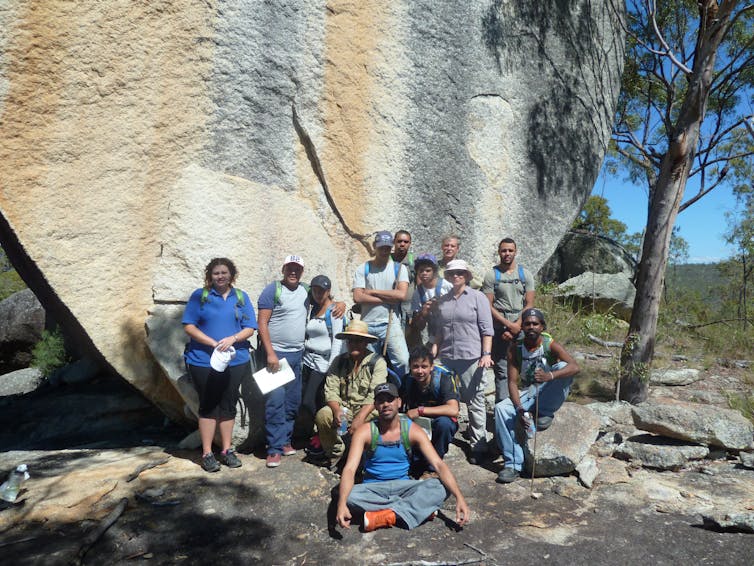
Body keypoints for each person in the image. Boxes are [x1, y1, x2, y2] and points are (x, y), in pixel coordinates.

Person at [336, 382, 470, 532]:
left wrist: (460, 498)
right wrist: (341, 505)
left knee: (441, 487)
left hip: (404, 487)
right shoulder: (365, 431)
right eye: (381, 401)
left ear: (399, 402)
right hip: (373, 488)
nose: (386, 404)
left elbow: (438, 464)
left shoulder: (412, 430)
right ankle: (416, 509)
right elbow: (349, 469)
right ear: (375, 405)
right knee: (349, 496)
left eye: (390, 399)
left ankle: (387, 516)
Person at [257, 257, 346, 469]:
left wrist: (342, 304)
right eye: (290, 268)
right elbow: (262, 323)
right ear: (283, 269)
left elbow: (326, 299)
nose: (293, 272)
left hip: (298, 355)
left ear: (302, 271)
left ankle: (285, 440)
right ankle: (273, 448)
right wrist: (270, 353)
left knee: (292, 401)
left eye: (297, 269)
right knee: (275, 400)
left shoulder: (306, 290)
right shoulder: (272, 290)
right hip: (276, 354)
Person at [182, 258, 258, 472]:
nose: (220, 276)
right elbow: (189, 326)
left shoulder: (240, 297)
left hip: (235, 360)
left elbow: (250, 327)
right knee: (208, 406)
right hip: (203, 361)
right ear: (210, 275)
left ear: (232, 275)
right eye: (216, 273)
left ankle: (226, 450)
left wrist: (232, 339)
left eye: (224, 272)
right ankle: (207, 453)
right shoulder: (201, 296)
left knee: (228, 405)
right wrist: (213, 343)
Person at [494, 308, 580, 483]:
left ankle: (545, 412)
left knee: (561, 366)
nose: (531, 327)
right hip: (528, 391)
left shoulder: (550, 345)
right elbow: (512, 382)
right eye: (527, 324)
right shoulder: (515, 348)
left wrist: (550, 376)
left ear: (542, 326)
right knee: (501, 408)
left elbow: (575, 366)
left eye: (535, 324)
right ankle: (513, 464)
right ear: (523, 327)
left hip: (548, 389)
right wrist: (519, 409)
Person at [431, 259, 494, 465]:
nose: (456, 276)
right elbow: (440, 331)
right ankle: (443, 441)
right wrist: (434, 350)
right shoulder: (443, 301)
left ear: (466, 275)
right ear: (447, 277)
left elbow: (487, 329)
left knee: (474, 400)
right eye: (452, 273)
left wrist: (486, 353)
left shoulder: (478, 298)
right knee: (445, 398)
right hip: (447, 356)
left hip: (471, 357)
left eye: (460, 273)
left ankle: (478, 445)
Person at [313, 320, 387, 465]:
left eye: (359, 341)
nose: (354, 344)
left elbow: (375, 395)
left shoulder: (377, 363)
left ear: (366, 343)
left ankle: (365, 457)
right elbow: (331, 390)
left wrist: (360, 417)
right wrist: (336, 410)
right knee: (323, 415)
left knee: (374, 423)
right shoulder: (338, 361)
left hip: (368, 409)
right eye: (351, 340)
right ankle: (335, 453)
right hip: (344, 408)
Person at [482, 238, 535, 402]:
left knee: (527, 368)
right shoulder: (492, 275)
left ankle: (526, 408)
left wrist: (517, 325)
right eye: (504, 250)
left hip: (522, 326)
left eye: (510, 250)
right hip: (500, 327)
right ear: (499, 252)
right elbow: (488, 305)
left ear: (515, 252)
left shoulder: (525, 274)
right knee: (503, 371)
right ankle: (502, 410)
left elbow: (530, 303)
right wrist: (508, 325)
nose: (507, 254)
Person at [352, 230, 410, 377]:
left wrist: (371, 292)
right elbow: (358, 297)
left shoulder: (399, 269)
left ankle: (402, 392)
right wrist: (389, 298)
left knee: (403, 361)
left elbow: (401, 295)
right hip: (367, 323)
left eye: (387, 247)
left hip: (390, 322)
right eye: (381, 247)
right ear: (375, 247)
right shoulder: (363, 268)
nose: (384, 251)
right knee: (368, 364)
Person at [301, 275, 346, 451]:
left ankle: (323, 434)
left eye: (323, 290)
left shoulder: (334, 312)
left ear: (329, 292)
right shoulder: (314, 309)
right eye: (315, 289)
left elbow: (338, 341)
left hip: (323, 363)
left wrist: (331, 368)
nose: (318, 293)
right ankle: (319, 435)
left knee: (310, 402)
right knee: (313, 400)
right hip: (308, 361)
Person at [403, 347, 460, 478]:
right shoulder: (407, 381)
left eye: (424, 367)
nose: (420, 371)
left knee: (444, 424)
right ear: (410, 367)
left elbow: (453, 409)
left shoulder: (443, 380)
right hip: (418, 424)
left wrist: (420, 411)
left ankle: (432, 469)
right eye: (415, 367)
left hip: (437, 421)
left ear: (431, 367)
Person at [408, 253, 452, 348]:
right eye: (421, 270)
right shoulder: (417, 293)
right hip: (433, 336)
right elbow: (419, 326)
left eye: (428, 270)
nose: (424, 273)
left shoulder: (446, 286)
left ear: (434, 271)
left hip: (452, 334)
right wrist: (422, 314)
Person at [391, 230, 415, 332]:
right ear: (394, 242)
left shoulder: (413, 261)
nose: (402, 244)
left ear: (410, 243)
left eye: (406, 242)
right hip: (390, 308)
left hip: (408, 310)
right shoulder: (387, 260)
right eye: (399, 241)